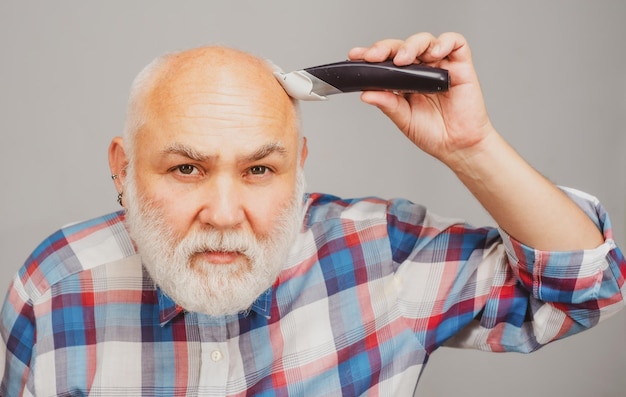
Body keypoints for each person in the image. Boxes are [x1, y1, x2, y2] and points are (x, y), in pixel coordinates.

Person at [0, 31, 624, 396]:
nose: (223, 213)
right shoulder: (53, 290)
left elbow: (584, 289)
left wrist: (473, 147)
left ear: (299, 167)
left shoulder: (380, 256)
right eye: (186, 168)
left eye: (259, 170)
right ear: (123, 168)